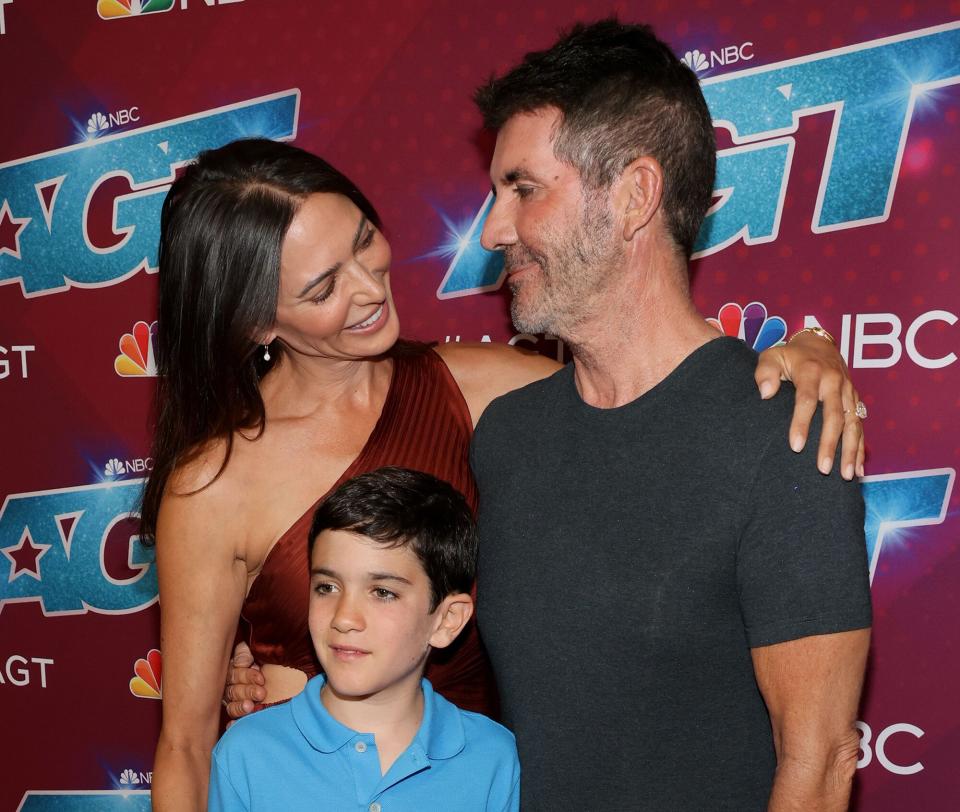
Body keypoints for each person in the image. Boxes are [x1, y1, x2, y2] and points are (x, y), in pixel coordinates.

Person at [147, 138, 858, 811]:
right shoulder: (213, 485)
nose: (369, 287)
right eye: (325, 284)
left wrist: (802, 354)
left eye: (364, 239)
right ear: (255, 323)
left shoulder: (479, 390)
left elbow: (647, 390)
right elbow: (184, 744)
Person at [468, 19, 872, 811]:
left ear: (633, 197)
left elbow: (818, 764)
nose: (491, 230)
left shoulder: (780, 432)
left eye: (523, 189)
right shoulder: (506, 438)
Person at [208, 467, 520, 811]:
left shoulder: (491, 758)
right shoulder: (248, 754)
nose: (343, 617)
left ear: (446, 620)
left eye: (382, 592)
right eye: (327, 587)